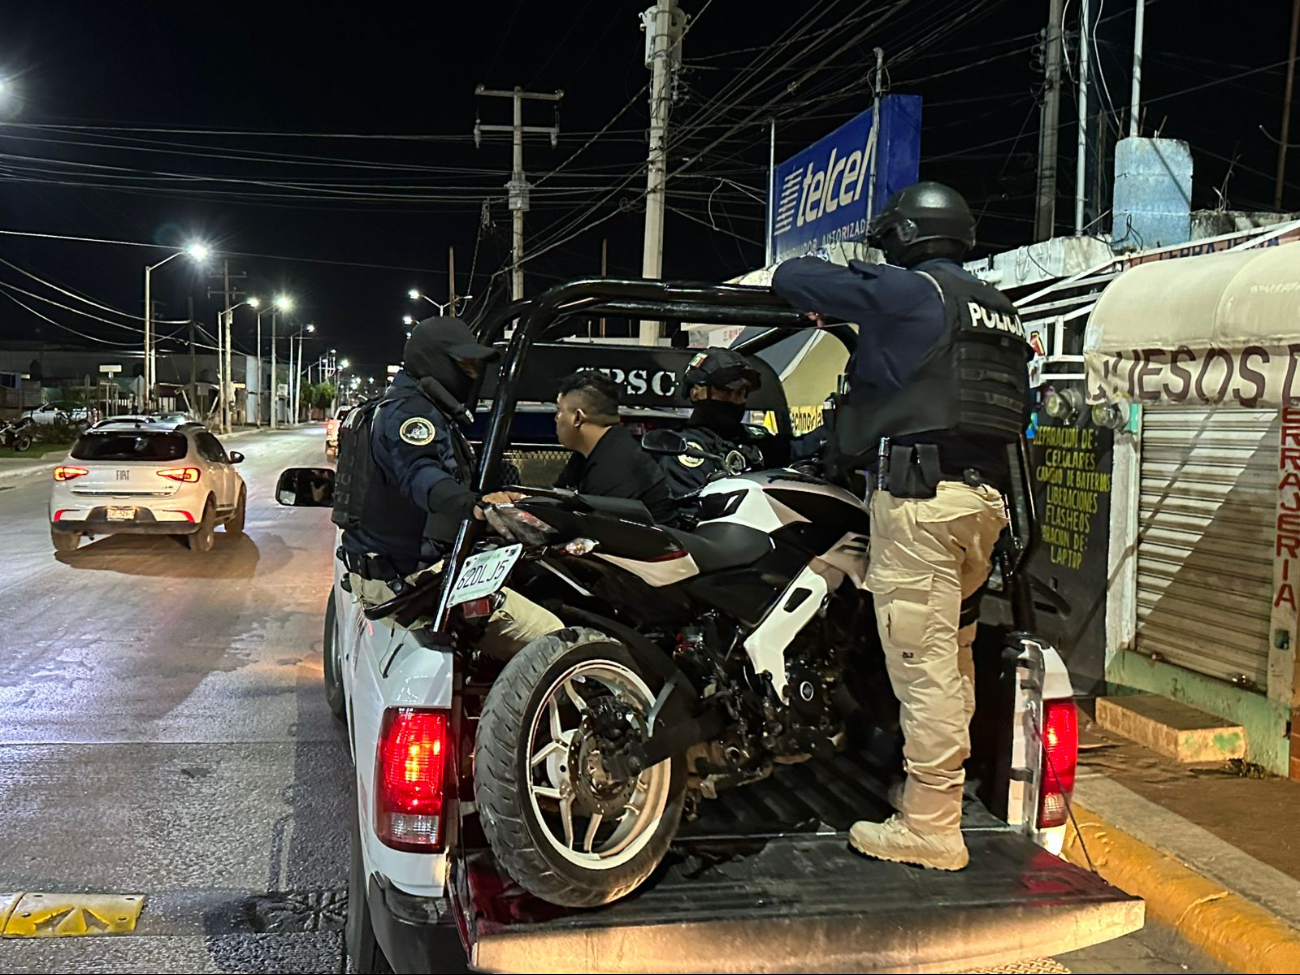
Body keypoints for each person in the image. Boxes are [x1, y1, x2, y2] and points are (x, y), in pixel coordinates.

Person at [771, 181, 1031, 871]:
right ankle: (930, 793)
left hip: (923, 504)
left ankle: (931, 826)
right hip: (982, 509)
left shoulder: (915, 293)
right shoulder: (995, 308)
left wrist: (855, 275)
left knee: (922, 669)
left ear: (906, 238)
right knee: (953, 657)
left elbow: (792, 277)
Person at [338, 317, 561, 657]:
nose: (472, 375)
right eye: (464, 365)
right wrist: (473, 504)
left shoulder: (420, 408)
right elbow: (421, 475)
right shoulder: (412, 413)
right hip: (413, 581)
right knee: (554, 638)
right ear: (434, 360)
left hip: (401, 571)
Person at [553, 370, 677, 523]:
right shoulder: (587, 453)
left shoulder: (615, 465)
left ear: (578, 417)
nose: (556, 418)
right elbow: (557, 499)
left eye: (559, 410)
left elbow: (594, 531)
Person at [657, 348, 769, 497]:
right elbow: (691, 513)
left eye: (740, 393)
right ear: (695, 394)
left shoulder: (755, 442)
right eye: (726, 392)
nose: (735, 401)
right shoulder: (685, 450)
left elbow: (799, 448)